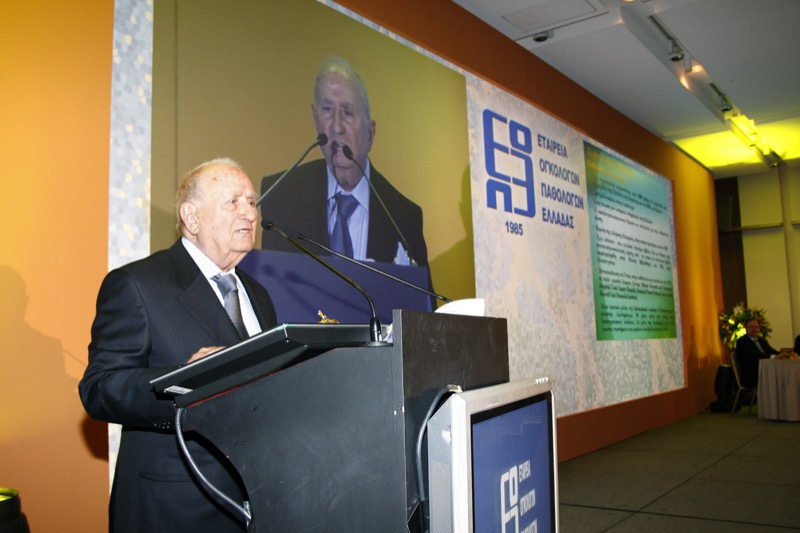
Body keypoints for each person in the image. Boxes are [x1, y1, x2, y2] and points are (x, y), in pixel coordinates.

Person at [79, 158, 277, 532]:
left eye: (252, 202)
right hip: (175, 504)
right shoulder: (138, 284)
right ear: (191, 217)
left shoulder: (259, 295)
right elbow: (99, 387)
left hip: (256, 500)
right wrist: (184, 381)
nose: (250, 213)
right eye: (232, 201)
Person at [260, 55, 429, 268]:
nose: (337, 126)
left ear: (370, 133)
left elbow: (419, 290)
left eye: (348, 112)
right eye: (327, 110)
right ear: (315, 118)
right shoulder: (280, 196)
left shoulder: (404, 218)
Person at [735, 318, 778, 388]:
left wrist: (783, 354)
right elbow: (755, 355)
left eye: (756, 327)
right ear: (746, 328)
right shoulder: (742, 341)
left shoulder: (761, 340)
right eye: (751, 327)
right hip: (752, 374)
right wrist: (774, 357)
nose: (754, 329)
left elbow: (771, 351)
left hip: (764, 370)